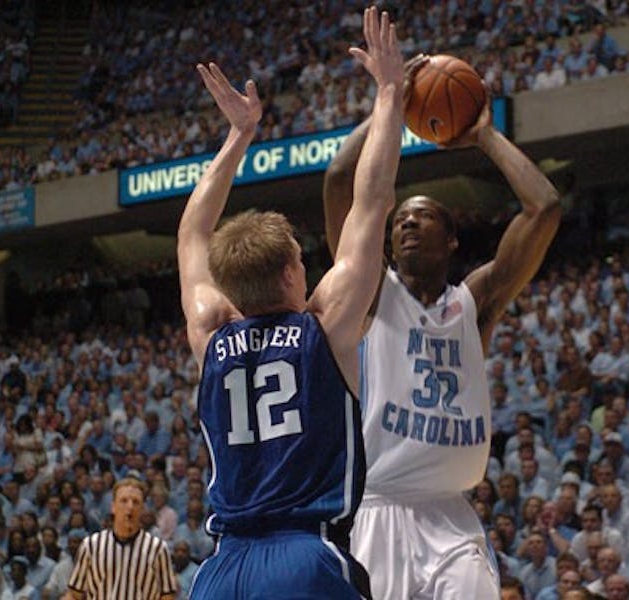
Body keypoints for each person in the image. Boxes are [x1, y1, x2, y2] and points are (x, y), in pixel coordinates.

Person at [323, 32, 562, 600]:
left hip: (451, 516)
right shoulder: (372, 293)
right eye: (400, 217)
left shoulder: (473, 303)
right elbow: (337, 180)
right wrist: (391, 100)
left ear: (452, 239)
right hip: (378, 509)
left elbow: (545, 207)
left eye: (423, 216)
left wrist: (484, 135)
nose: (406, 223)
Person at [181, 8, 403, 598]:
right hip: (305, 558)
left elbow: (191, 233)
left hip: (221, 571)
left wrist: (238, 136)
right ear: (288, 271)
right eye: (304, 260)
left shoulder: (210, 330)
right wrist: (389, 92)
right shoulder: (324, 324)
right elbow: (373, 201)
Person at [66, 477, 178, 600]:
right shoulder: (91, 545)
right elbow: (74, 594)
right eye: (124, 501)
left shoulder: (158, 549)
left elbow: (168, 596)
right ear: (113, 507)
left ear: (142, 509)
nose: (130, 507)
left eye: (136, 502)